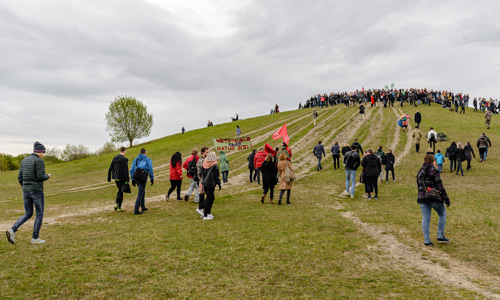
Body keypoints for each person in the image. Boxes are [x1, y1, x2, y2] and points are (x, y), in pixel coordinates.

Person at [6, 142, 51, 245]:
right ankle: (35, 238)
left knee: (28, 213)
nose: (43, 154)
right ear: (40, 152)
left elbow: (19, 177)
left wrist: (25, 187)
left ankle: (13, 230)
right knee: (39, 213)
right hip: (36, 191)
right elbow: (40, 177)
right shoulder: (39, 161)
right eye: (43, 152)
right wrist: (47, 176)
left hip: (25, 191)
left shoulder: (24, 160)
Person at [417, 154, 450, 246]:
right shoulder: (434, 171)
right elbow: (440, 186)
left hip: (422, 198)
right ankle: (440, 235)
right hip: (434, 197)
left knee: (426, 219)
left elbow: (419, 186)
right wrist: (446, 199)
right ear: (433, 161)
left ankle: (427, 240)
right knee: (442, 214)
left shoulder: (420, 172)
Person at [130, 148, 154, 215]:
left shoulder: (135, 159)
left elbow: (131, 170)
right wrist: (152, 178)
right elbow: (150, 169)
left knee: (142, 192)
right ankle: (136, 210)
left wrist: (132, 179)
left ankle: (143, 206)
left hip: (136, 178)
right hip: (143, 178)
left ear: (139, 153)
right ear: (145, 153)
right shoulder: (148, 160)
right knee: (140, 193)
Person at [200, 151, 221, 220]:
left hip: (205, 183)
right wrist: (218, 182)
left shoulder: (204, 163)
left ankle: (207, 213)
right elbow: (216, 175)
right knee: (209, 198)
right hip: (211, 183)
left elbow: (202, 173)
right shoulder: (214, 165)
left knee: (210, 197)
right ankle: (205, 214)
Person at [107, 146, 130, 212]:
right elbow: (126, 170)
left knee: (120, 190)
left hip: (116, 177)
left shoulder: (114, 158)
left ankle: (117, 204)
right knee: (121, 191)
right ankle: (118, 206)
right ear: (124, 151)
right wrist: (127, 180)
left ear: (120, 151)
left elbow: (110, 168)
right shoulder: (124, 159)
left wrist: (109, 178)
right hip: (122, 178)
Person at [196, 147, 209, 217]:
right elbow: (201, 172)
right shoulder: (201, 161)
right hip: (203, 180)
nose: (208, 153)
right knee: (202, 195)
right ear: (203, 153)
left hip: (204, 180)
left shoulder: (205, 160)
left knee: (203, 195)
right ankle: (200, 209)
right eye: (207, 152)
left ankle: (203, 211)